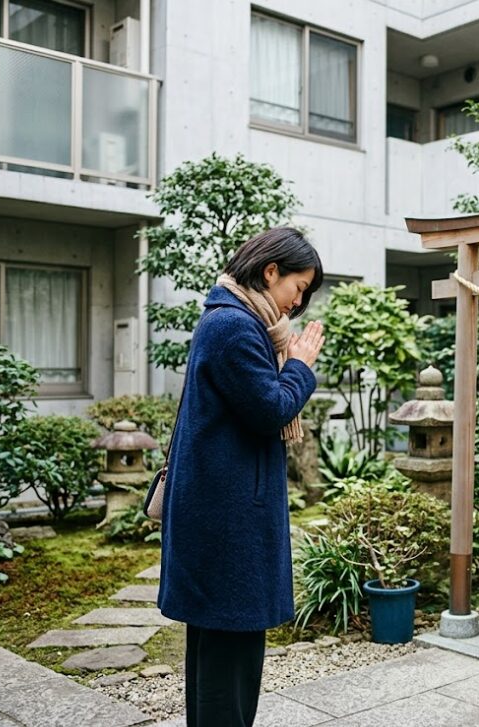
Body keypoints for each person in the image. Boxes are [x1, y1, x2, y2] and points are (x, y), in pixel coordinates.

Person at [158, 227, 325, 727]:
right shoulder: (234, 327)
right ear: (270, 272)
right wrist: (299, 366)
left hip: (221, 516)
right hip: (225, 525)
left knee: (223, 657)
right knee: (227, 661)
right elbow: (269, 409)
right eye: (298, 288)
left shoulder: (236, 320)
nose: (298, 303)